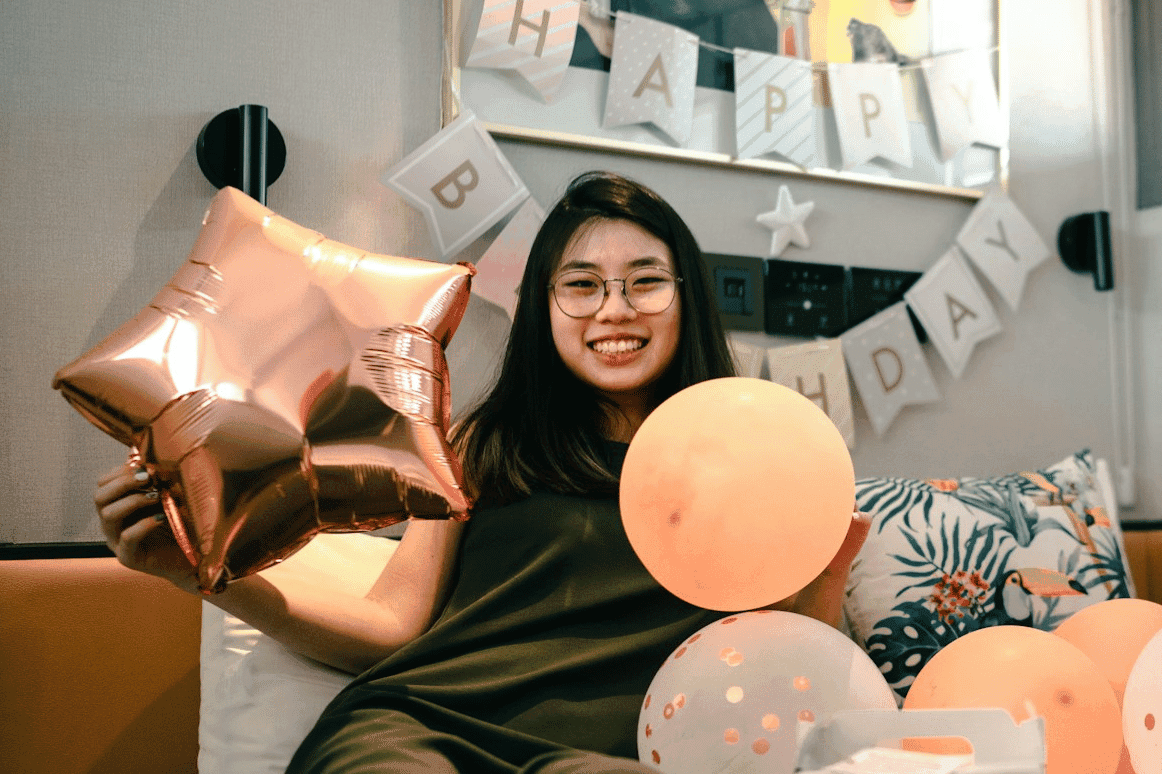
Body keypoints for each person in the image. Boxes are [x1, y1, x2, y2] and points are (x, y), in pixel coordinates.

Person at [92, 171, 870, 772]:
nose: (614, 309)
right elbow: (392, 626)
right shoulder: (484, 441)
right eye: (581, 284)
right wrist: (203, 574)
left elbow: (788, 662)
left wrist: (828, 565)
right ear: (544, 304)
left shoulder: (753, 457)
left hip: (607, 754)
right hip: (425, 724)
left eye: (645, 280)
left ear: (686, 297)